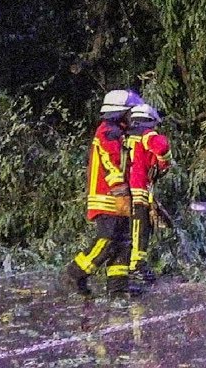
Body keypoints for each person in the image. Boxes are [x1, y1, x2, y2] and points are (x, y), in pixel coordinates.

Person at [64, 89, 142, 297]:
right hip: (109, 197)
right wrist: (120, 191)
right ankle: (76, 273)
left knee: (123, 243)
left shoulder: (120, 133)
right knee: (107, 239)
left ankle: (118, 288)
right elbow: (110, 161)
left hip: (121, 198)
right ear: (122, 112)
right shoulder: (108, 132)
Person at [125, 103, 172, 288]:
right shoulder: (146, 135)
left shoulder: (125, 136)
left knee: (129, 229)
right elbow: (162, 146)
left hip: (122, 190)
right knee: (140, 229)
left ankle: (128, 265)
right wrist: (164, 163)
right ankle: (136, 266)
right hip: (138, 191)